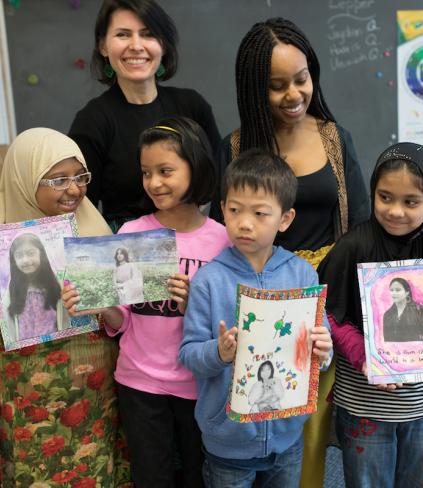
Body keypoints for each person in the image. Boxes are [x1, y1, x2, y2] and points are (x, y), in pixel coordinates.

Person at [210, 18, 369, 485]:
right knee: (262, 407)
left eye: (301, 78)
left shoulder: (334, 139)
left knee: (311, 423)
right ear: (254, 89)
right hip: (263, 297)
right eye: (276, 86)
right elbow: (226, 229)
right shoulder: (237, 147)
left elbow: (358, 222)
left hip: (325, 295)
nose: (294, 94)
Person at [64, 116, 231, 487]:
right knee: (150, 475)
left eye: (166, 170)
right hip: (140, 382)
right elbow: (122, 320)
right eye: (145, 172)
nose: (154, 182)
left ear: (196, 167)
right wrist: (100, 306)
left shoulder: (223, 241)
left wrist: (196, 307)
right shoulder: (132, 233)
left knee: (198, 474)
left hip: (198, 385)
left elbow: (231, 322)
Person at [318, 142, 423, 488]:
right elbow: (331, 315)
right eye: (384, 197)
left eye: (411, 202)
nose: (395, 211)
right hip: (365, 401)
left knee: (415, 481)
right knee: (366, 482)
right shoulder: (353, 246)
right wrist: (363, 356)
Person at [180, 149, 333, 488]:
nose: (244, 222)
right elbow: (189, 355)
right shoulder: (209, 281)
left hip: (287, 437)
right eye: (234, 210)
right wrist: (219, 353)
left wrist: (324, 351)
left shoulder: (303, 275)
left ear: (285, 218)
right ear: (222, 210)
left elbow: (317, 351)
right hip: (228, 445)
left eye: (260, 213)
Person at [0, 128, 130, 486]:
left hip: (95, 390)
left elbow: (122, 321)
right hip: (26, 394)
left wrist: (101, 305)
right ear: (25, 179)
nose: (74, 189)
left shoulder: (95, 231)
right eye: (59, 179)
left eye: (80, 176)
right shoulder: (3, 241)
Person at [69, 0, 220, 231]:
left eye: (148, 34)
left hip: (195, 241)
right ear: (103, 46)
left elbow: (217, 182)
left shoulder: (192, 105)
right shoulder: (92, 121)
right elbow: (81, 208)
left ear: (164, 44)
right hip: (127, 250)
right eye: (123, 34)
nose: (136, 46)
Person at [4, 233, 69, 342]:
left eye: (31, 253)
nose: (25, 260)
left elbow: (65, 318)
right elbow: (10, 325)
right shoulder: (11, 292)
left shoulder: (56, 286)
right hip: (27, 350)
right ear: (13, 260)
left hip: (55, 344)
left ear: (41, 254)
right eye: (19, 255)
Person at [383, 277, 423, 342]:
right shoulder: (387, 315)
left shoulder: (419, 310)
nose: (394, 293)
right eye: (391, 290)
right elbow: (387, 342)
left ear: (407, 292)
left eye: (398, 290)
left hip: (419, 351)